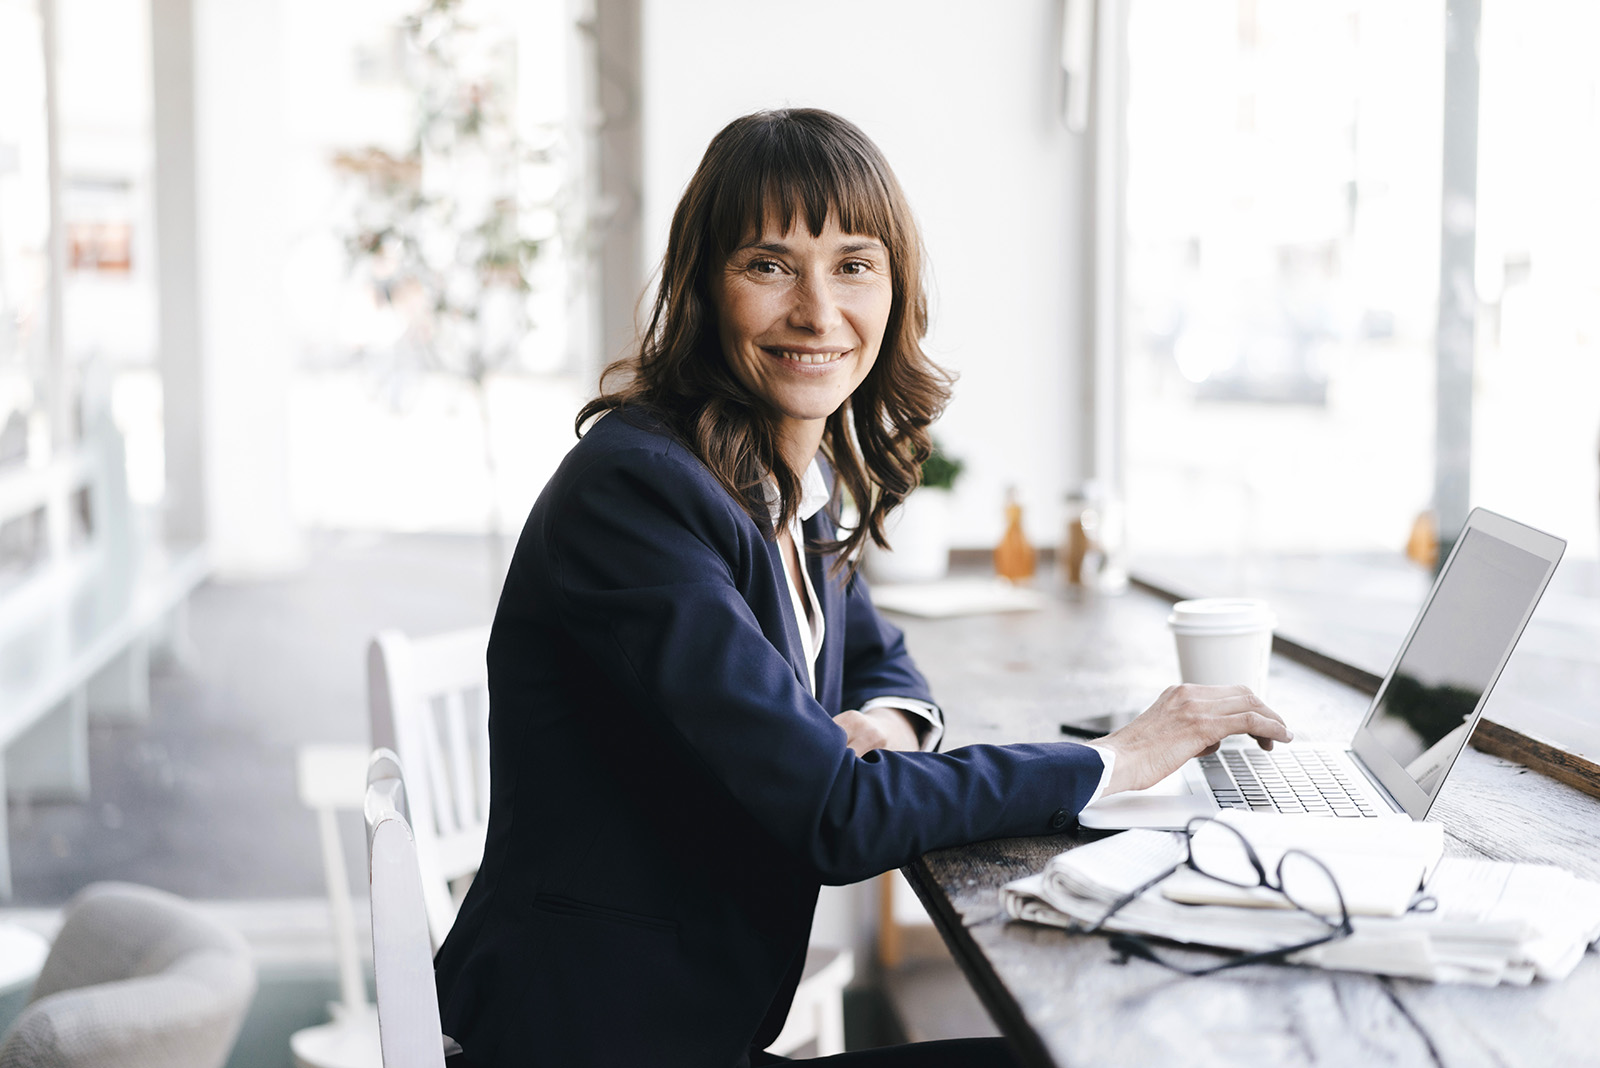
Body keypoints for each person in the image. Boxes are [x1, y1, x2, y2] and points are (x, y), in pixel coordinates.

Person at [432, 108, 1291, 1068]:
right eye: (768, 265)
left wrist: (883, 725)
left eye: (853, 265)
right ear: (702, 287)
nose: (816, 310)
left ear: (895, 289)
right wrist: (1115, 759)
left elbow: (880, 659)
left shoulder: (784, 478)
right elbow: (836, 815)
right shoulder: (638, 494)